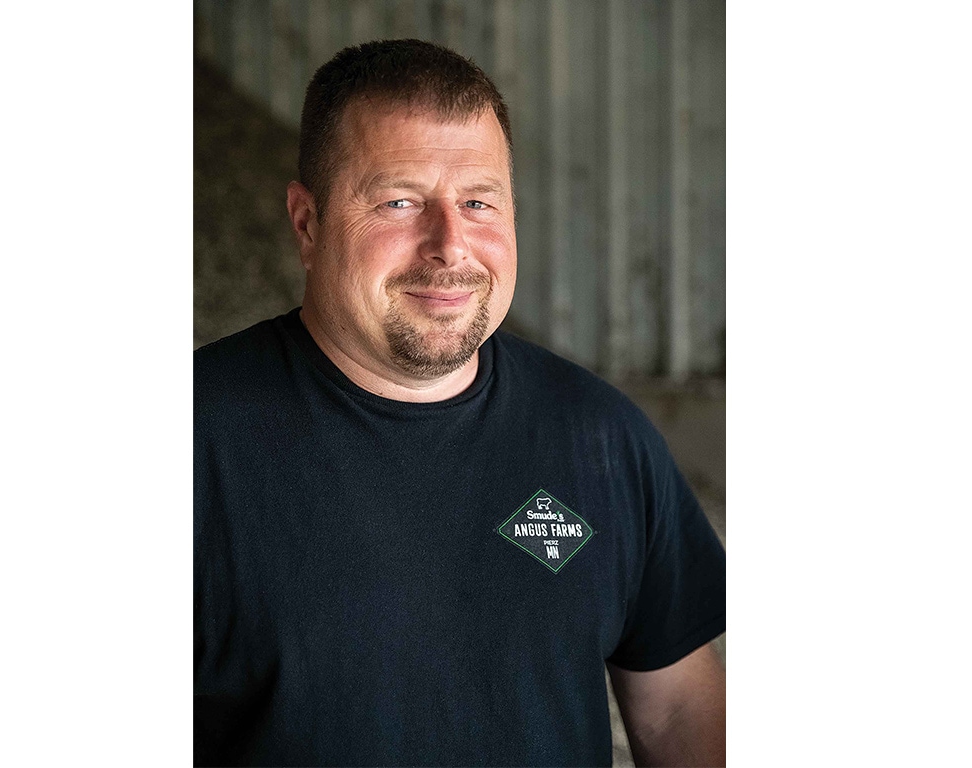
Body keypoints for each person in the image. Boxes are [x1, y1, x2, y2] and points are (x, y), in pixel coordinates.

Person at [195, 38, 725, 767]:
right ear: (307, 224)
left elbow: (677, 713)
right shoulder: (194, 441)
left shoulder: (602, 437)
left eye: (478, 201)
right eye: (399, 201)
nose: (450, 245)